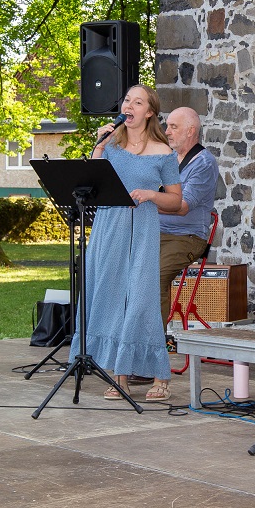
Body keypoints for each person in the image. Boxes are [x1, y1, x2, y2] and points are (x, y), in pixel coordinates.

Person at [83, 85, 182, 402]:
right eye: (126, 99)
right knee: (112, 298)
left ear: (150, 111)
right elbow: (91, 185)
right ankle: (119, 377)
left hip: (142, 228)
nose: (129, 105)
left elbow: (175, 201)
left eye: (137, 102)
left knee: (140, 299)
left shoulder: (164, 152)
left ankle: (160, 374)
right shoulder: (111, 144)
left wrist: (152, 195)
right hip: (108, 226)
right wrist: (98, 147)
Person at [158, 106, 220, 338]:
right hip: (156, 232)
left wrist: (147, 198)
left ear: (191, 131)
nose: (167, 131)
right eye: (167, 126)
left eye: (174, 127)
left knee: (153, 277)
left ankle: (153, 350)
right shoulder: (167, 159)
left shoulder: (203, 163)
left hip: (187, 237)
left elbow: (182, 207)